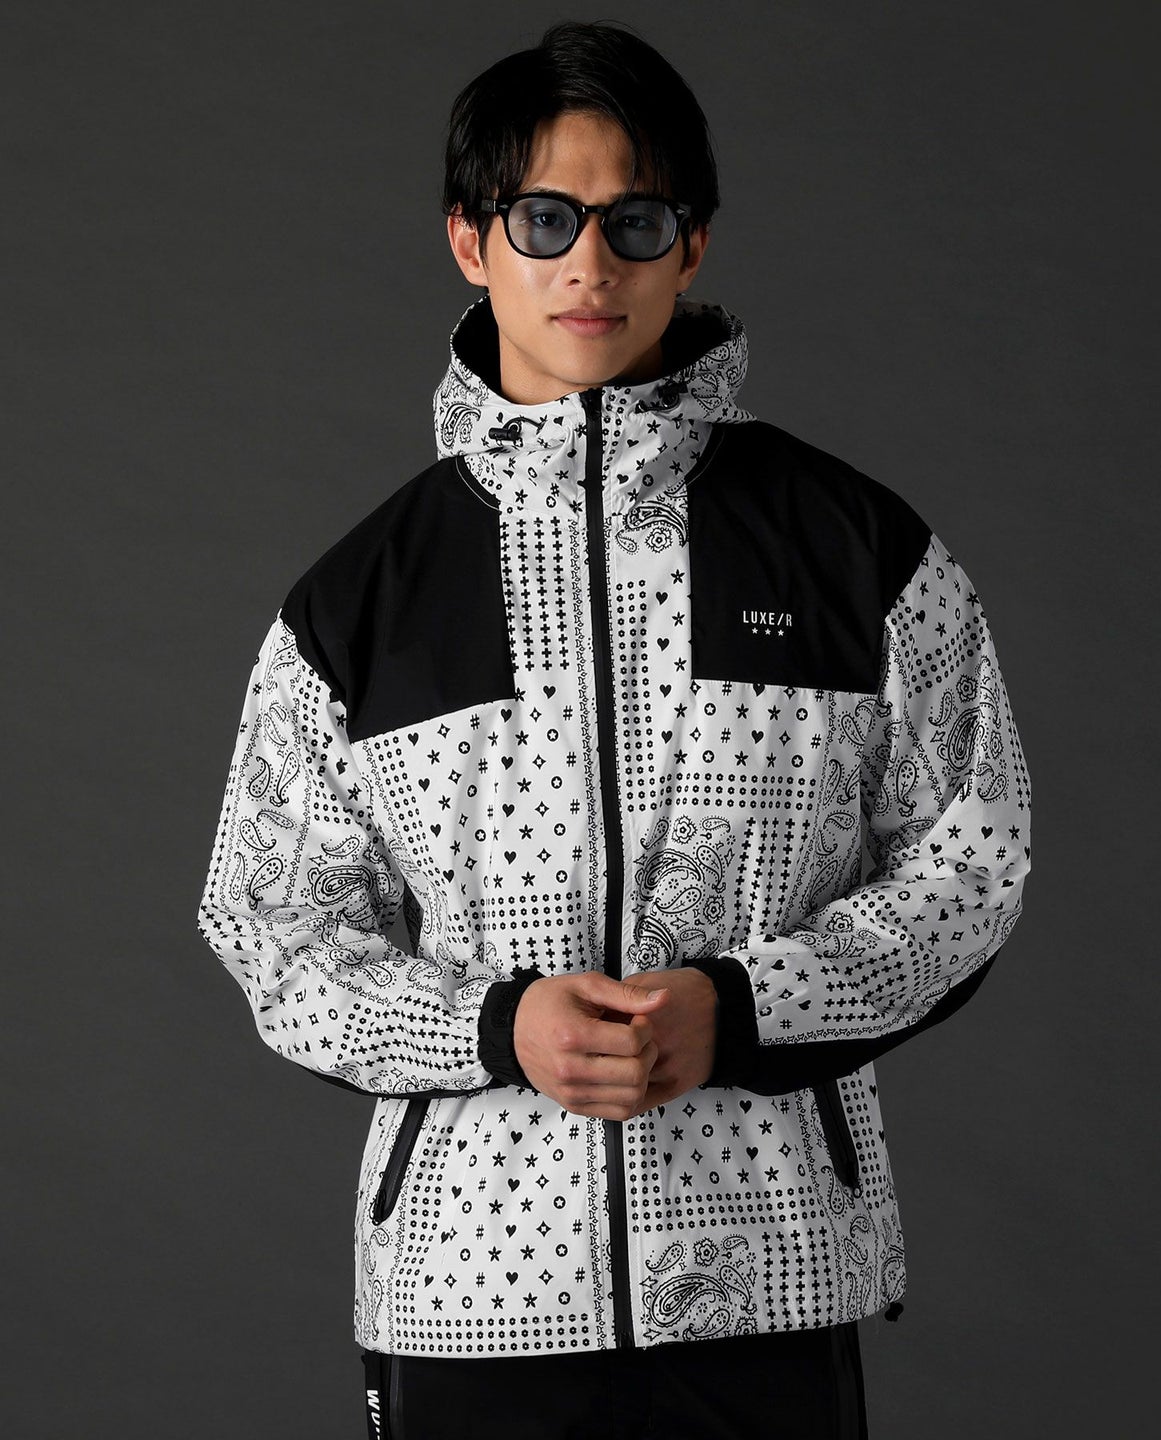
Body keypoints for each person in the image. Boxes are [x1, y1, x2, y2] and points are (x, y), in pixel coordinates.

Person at [197, 20, 1032, 1440]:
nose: (591, 262)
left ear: (689, 246)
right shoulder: (359, 602)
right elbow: (271, 925)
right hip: (470, 1291)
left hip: (770, 1273)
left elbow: (975, 858)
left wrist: (746, 1009)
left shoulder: (858, 550)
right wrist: (495, 1025)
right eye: (545, 219)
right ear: (470, 240)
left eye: (634, 221)